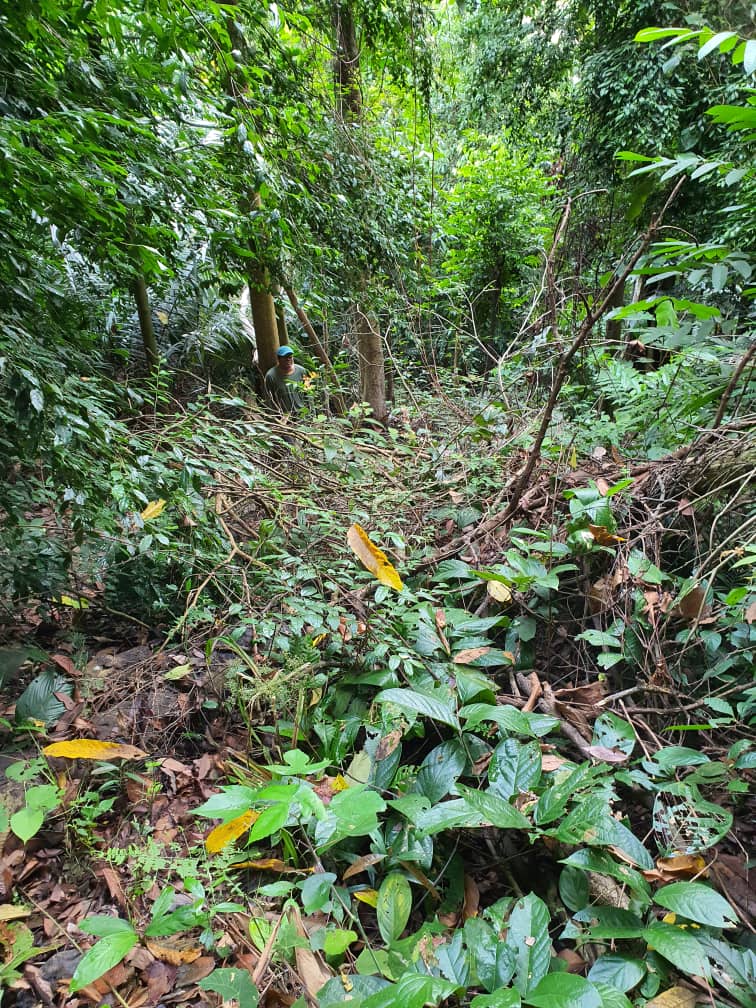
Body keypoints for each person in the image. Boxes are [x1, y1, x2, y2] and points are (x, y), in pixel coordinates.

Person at [264, 346, 306, 412]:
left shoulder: (301, 371)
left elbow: (308, 392)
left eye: (290, 357)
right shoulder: (271, 375)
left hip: (303, 413)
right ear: (279, 359)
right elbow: (269, 398)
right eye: (285, 357)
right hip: (283, 415)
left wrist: (311, 412)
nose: (288, 359)